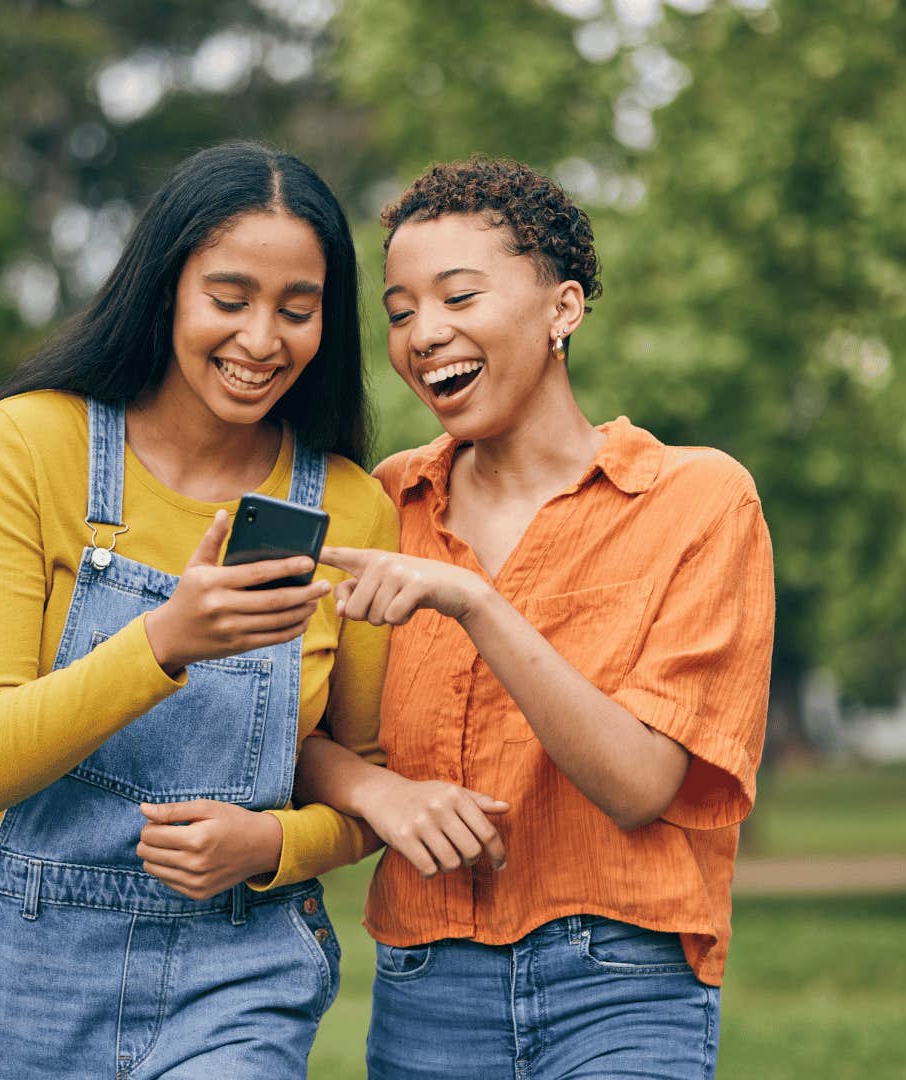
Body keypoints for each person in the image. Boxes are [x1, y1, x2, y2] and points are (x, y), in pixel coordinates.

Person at [0, 142, 397, 1078]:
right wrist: (168, 640)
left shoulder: (352, 506)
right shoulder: (30, 443)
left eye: (297, 311)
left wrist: (275, 841)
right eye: (229, 300)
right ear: (164, 287)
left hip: (238, 966)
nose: (262, 340)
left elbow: (367, 779)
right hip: (23, 961)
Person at [300, 156, 775, 1079]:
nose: (424, 334)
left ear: (564, 310)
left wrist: (476, 603)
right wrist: (377, 793)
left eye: (459, 297)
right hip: (425, 985)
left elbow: (641, 784)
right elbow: (284, 722)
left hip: (625, 979)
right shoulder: (381, 501)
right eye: (399, 312)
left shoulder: (697, 499)